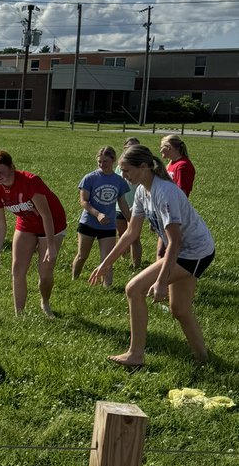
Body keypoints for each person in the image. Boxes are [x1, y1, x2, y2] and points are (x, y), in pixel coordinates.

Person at [88, 144, 214, 367]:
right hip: (184, 251)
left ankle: (136, 354)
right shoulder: (141, 191)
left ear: (144, 167)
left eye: (126, 170)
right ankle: (203, 358)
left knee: (133, 288)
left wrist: (162, 281)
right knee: (180, 310)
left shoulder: (164, 193)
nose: (123, 175)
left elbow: (175, 242)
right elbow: (131, 232)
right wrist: (105, 264)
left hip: (194, 252)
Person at [0, 150, 67, 317]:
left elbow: (46, 215)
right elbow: (0, 226)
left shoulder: (30, 181)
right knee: (17, 270)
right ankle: (20, 314)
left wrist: (51, 245)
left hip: (52, 225)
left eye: (1, 172)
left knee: (45, 274)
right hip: (26, 225)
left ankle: (44, 302)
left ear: (12, 168)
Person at [71, 147, 130, 287]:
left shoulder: (119, 181)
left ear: (113, 160)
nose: (102, 164)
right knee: (82, 256)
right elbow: (83, 201)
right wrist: (98, 214)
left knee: (107, 259)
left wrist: (131, 220)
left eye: (106, 161)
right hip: (89, 223)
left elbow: (122, 203)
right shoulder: (90, 178)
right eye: (100, 161)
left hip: (108, 225)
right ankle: (74, 280)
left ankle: (107, 286)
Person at [115, 137, 143, 270]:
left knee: (134, 237)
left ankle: (135, 265)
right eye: (129, 147)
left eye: (136, 147)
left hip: (135, 207)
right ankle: (124, 259)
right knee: (122, 235)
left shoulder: (141, 166)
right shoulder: (119, 166)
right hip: (120, 205)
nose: (132, 149)